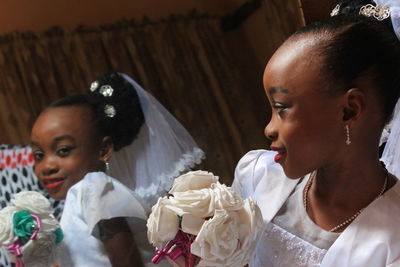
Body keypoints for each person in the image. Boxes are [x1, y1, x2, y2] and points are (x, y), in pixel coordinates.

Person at [232, 0, 400, 266]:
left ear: (349, 110)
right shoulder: (256, 176)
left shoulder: (394, 240)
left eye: (282, 108)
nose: (269, 128)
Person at [30, 72, 204, 266]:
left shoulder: (94, 188)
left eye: (63, 150)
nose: (47, 166)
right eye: (39, 155)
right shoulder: (79, 198)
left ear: (104, 150)